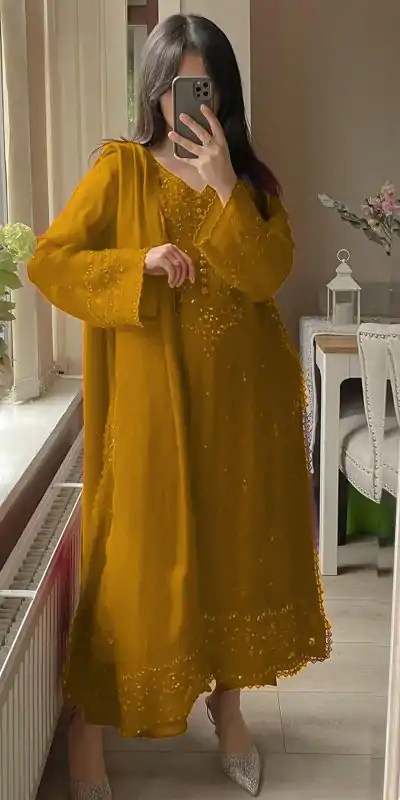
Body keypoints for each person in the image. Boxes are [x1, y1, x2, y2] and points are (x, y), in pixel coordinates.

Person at [28, 13, 331, 800]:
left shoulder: (251, 182)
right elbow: (52, 263)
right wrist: (139, 262)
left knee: (235, 559)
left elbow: (267, 275)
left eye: (206, 85)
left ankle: (230, 715)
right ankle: (88, 725)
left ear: (224, 92)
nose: (190, 100)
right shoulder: (122, 169)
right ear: (155, 90)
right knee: (131, 569)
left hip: (244, 413)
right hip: (153, 410)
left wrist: (226, 183)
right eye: (176, 85)